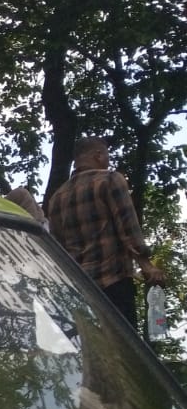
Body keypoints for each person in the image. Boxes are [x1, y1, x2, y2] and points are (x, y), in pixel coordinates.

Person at [46, 135, 166, 329]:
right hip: (114, 284)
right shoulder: (110, 180)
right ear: (99, 155)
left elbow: (59, 248)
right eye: (107, 155)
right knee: (124, 351)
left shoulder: (57, 198)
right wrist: (147, 266)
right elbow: (128, 227)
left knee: (96, 354)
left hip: (81, 290)